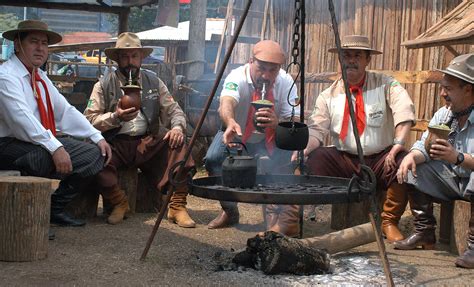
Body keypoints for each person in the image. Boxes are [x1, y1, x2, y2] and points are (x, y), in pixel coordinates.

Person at [300, 35, 416, 241]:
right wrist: (305, 148)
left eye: (357, 56)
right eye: (346, 56)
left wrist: (398, 144)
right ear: (340, 59)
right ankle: (295, 218)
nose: (351, 60)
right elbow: (317, 129)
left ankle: (388, 221)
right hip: (344, 161)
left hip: (381, 159)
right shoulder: (328, 95)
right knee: (313, 159)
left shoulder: (386, 84)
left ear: (367, 60)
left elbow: (404, 110)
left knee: (403, 163)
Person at [0, 20, 112, 229]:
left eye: (44, 43)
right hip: (6, 144)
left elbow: (65, 110)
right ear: (17, 44)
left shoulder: (40, 77)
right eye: (34, 42)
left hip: (34, 140)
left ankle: (53, 209)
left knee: (93, 155)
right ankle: (27, 218)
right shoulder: (6, 77)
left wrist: (96, 135)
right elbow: (21, 119)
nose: (40, 48)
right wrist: (55, 147)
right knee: (39, 157)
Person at [83, 32, 195, 227]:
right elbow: (89, 119)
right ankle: (119, 202)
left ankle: (177, 206)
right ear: (117, 58)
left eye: (134, 56)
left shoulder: (154, 82)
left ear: (141, 57)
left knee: (179, 146)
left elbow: (174, 110)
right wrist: (115, 117)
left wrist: (177, 127)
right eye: (124, 56)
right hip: (115, 143)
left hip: (147, 141)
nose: (129, 61)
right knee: (92, 154)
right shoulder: (103, 84)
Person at [204, 40, 301, 237]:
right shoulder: (237, 76)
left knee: (288, 160)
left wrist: (278, 122)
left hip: (270, 139)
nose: (266, 76)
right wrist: (230, 121)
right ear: (251, 62)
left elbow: (295, 118)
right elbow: (227, 102)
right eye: (261, 68)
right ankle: (230, 210)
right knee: (213, 159)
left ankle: (278, 217)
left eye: (272, 70)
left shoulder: (286, 82)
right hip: (237, 134)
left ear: (279, 69)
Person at [394, 53, 474, 269]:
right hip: (452, 180)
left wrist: (456, 157)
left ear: (468, 89)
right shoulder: (445, 114)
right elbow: (424, 146)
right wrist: (412, 155)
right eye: (442, 87)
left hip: (471, 181)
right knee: (412, 168)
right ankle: (424, 232)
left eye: (448, 88)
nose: (442, 93)